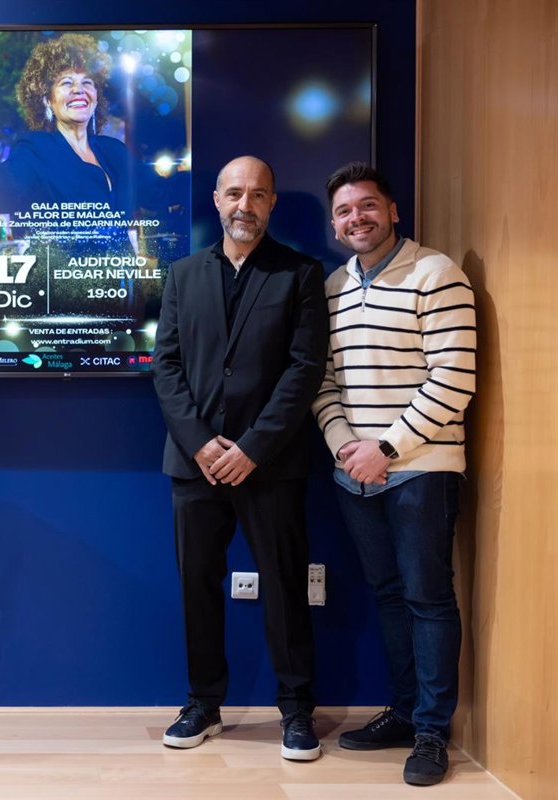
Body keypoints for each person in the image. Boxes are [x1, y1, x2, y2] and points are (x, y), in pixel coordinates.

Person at [151, 156, 327, 761]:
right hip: (194, 463)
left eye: (257, 194)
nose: (244, 205)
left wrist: (252, 447)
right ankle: (203, 703)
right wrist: (201, 442)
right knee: (197, 587)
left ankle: (297, 710)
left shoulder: (301, 273)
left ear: (272, 202)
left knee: (285, 586)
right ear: (217, 200)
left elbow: (305, 370)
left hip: (270, 464)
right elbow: (166, 367)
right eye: (234, 193)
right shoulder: (182, 275)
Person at [312, 162, 475, 787]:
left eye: (368, 206)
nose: (357, 218)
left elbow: (454, 379)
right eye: (345, 211)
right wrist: (345, 449)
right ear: (334, 225)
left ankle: (432, 732)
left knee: (428, 598)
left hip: (422, 471)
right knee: (387, 595)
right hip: (354, 473)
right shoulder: (333, 287)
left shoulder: (436, 273)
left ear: (392, 211)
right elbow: (324, 383)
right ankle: (405, 713)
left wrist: (386, 448)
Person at [0, 33, 140, 218]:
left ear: (96, 97)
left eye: (87, 82)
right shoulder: (34, 149)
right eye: (67, 83)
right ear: (48, 100)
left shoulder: (115, 151)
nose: (79, 90)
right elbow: (8, 191)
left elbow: (153, 193)